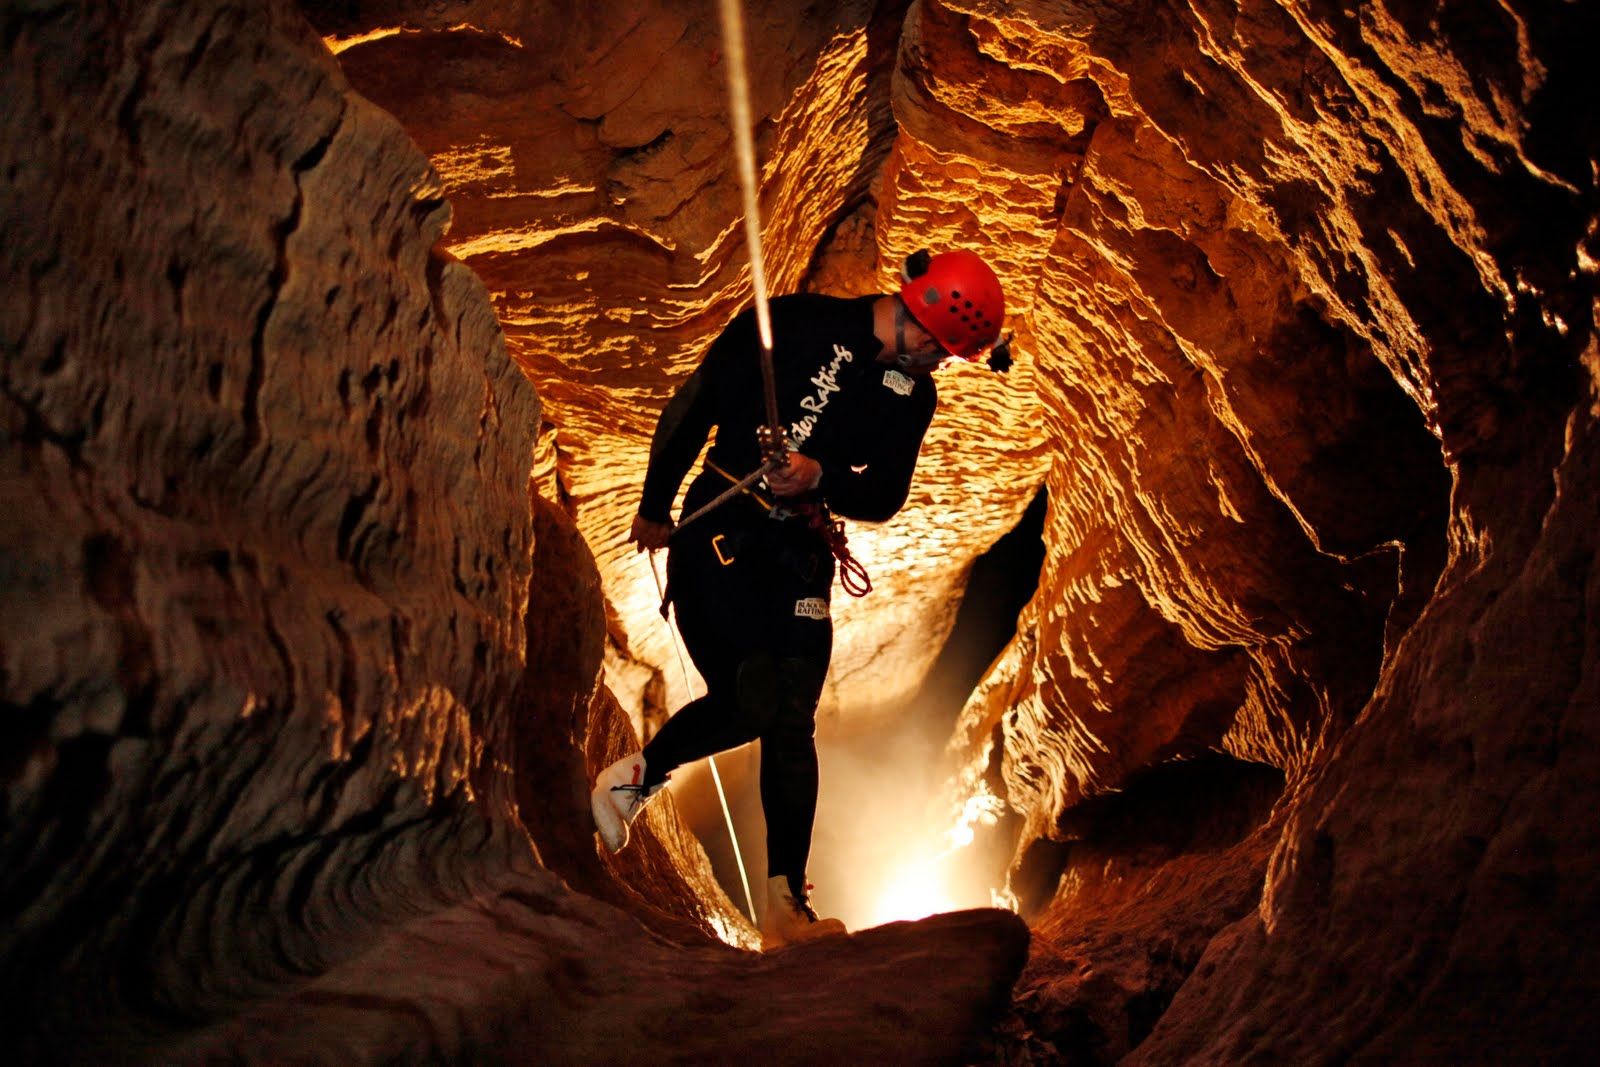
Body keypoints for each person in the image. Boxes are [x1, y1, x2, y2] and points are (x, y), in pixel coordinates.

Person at [591, 249, 1009, 948]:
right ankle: (634, 779)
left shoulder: (913, 396)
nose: (939, 368)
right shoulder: (792, 324)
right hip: (723, 529)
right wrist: (654, 503)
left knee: (792, 716)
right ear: (928, 328)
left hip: (800, 552)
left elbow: (885, 494)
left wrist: (822, 479)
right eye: (942, 354)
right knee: (752, 696)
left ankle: (786, 906)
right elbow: (694, 402)